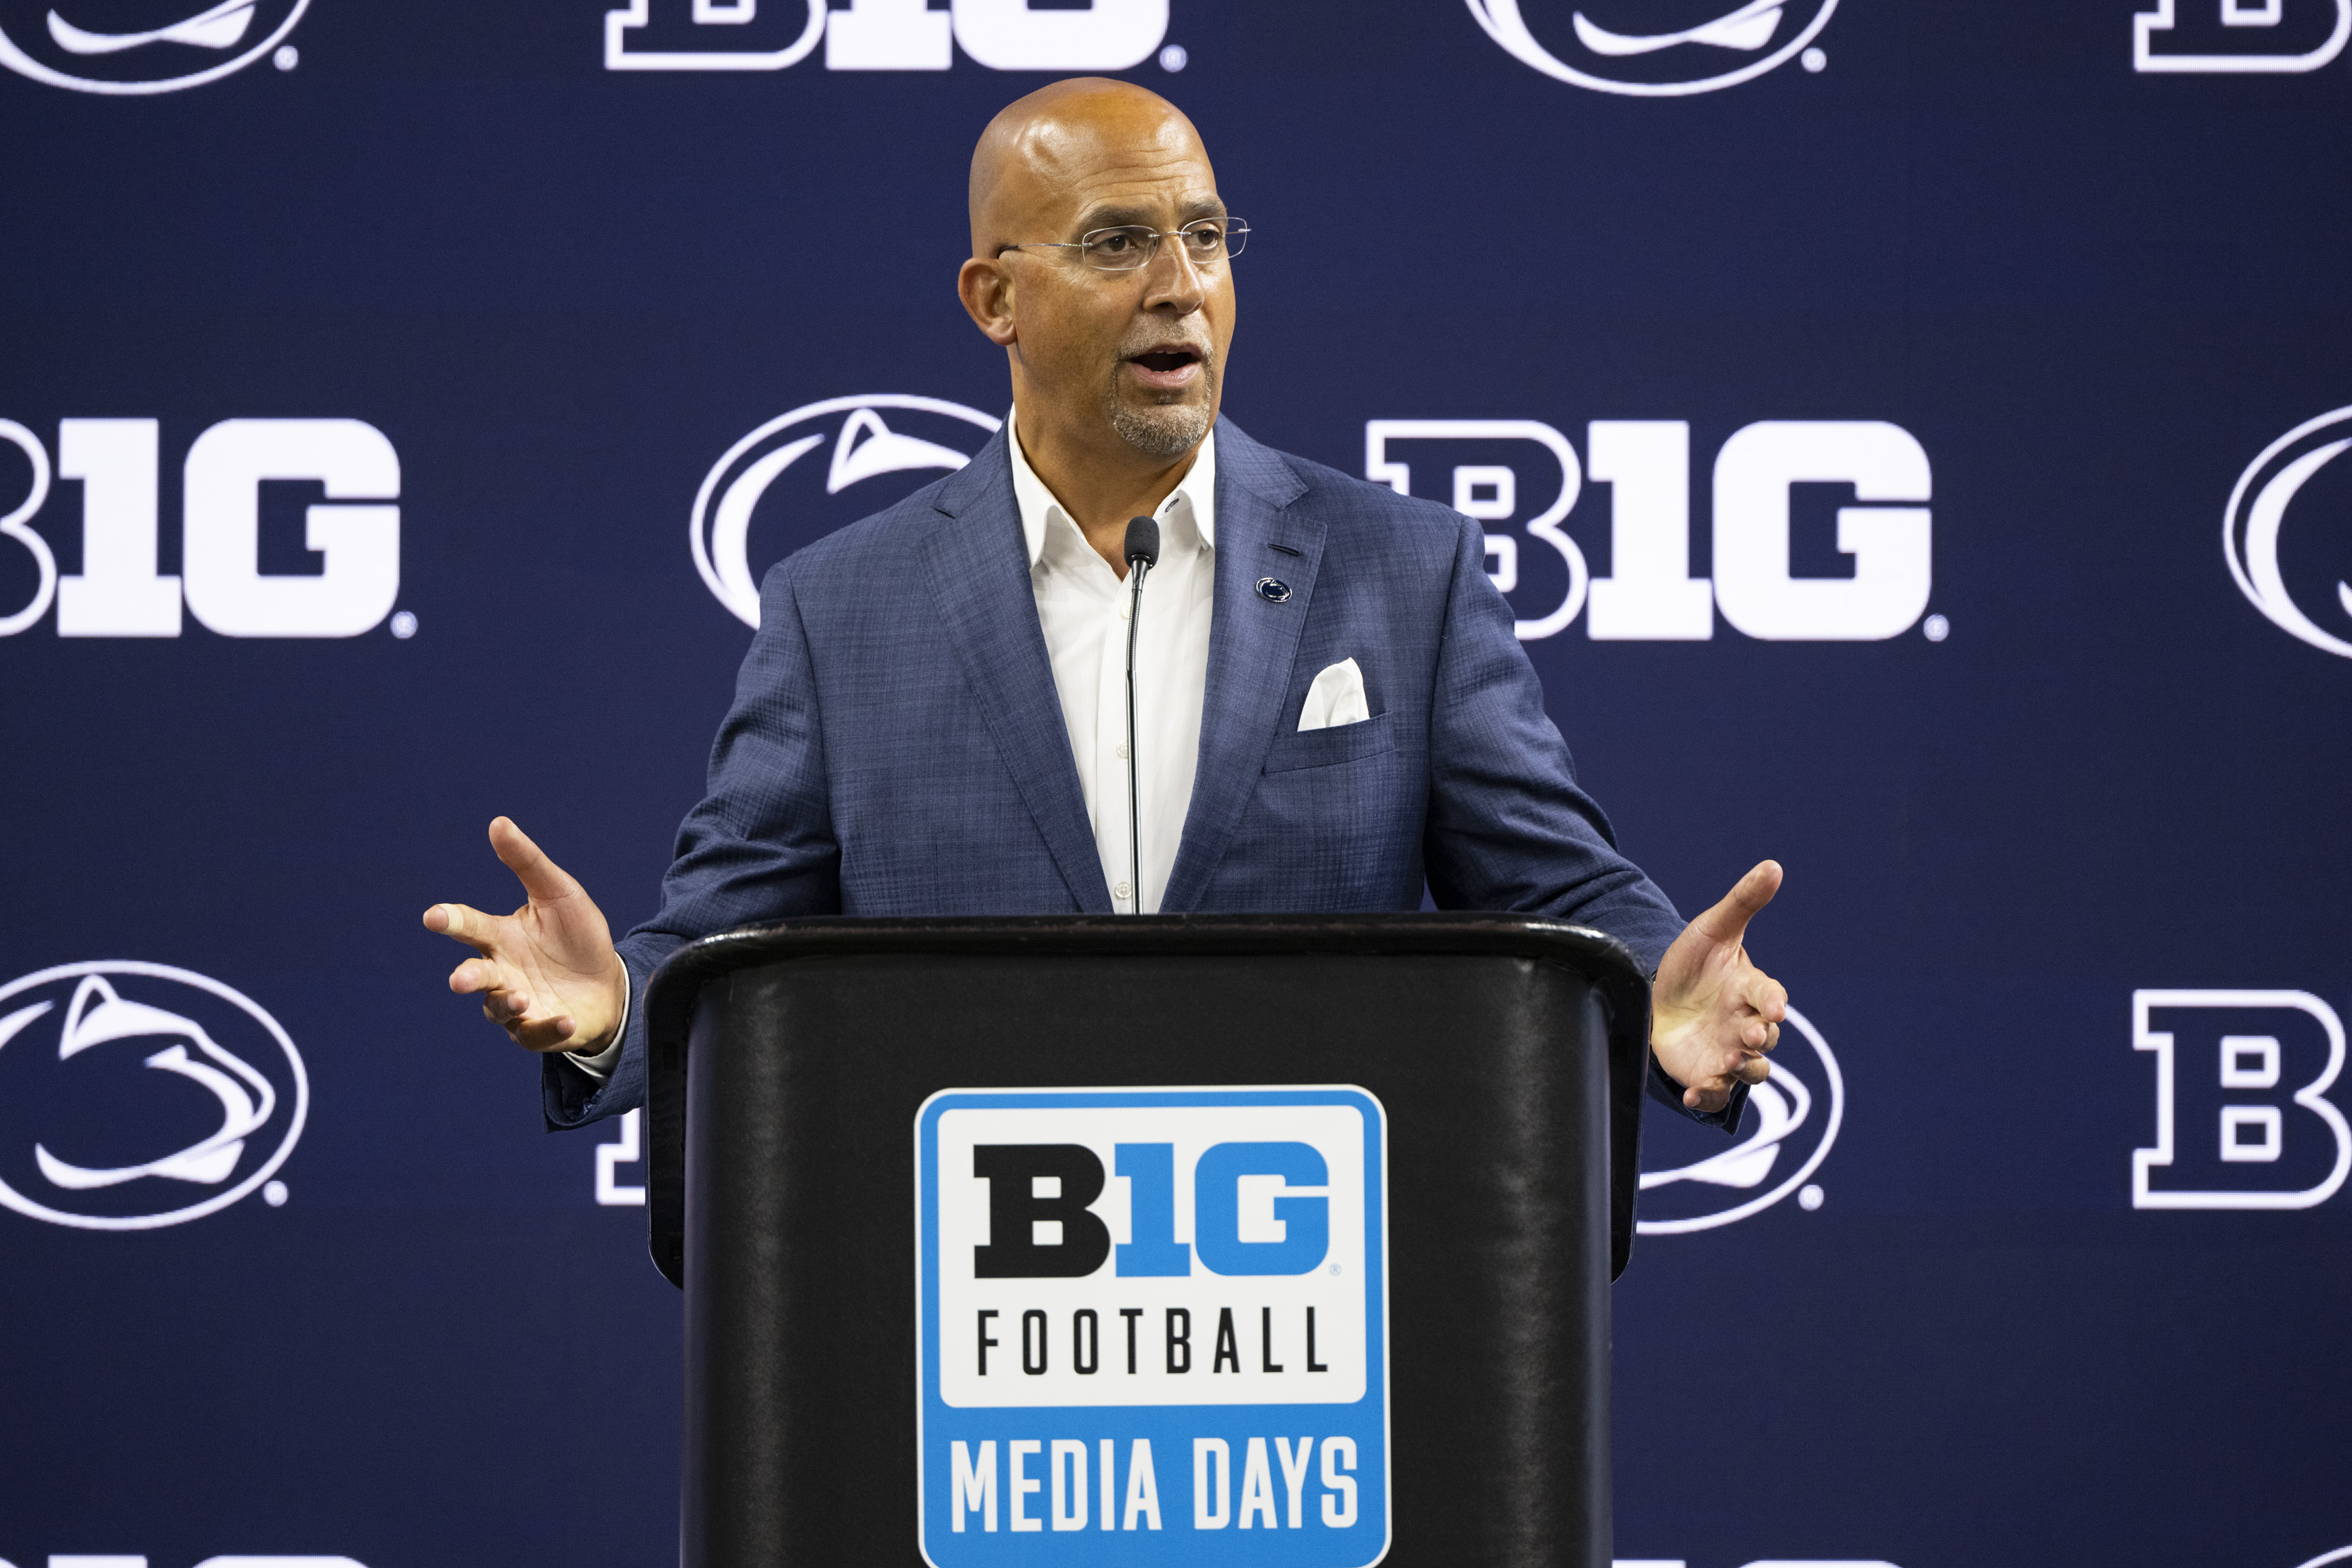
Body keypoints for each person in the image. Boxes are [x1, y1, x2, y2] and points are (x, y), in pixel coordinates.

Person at [424, 77, 1787, 1135]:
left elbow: (1554, 884)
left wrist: (1659, 991)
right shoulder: (840, 610)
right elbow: (727, 938)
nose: (1179, 285)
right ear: (995, 298)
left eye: (1205, 236)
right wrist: (613, 1009)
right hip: (971, 1304)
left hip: (1301, 1295)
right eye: (1119, 242)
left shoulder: (1403, 572)